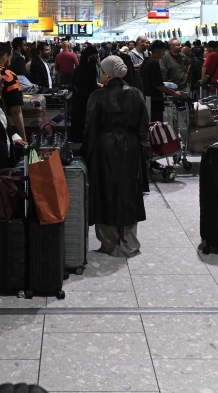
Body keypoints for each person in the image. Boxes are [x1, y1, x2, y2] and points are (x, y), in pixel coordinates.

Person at [82, 56, 149, 258]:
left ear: (107, 74)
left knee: (104, 191)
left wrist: (86, 153)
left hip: (104, 146)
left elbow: (90, 128)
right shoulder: (136, 93)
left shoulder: (97, 96)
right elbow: (143, 124)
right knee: (129, 192)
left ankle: (110, 243)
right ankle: (129, 243)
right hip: (130, 145)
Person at [141, 40, 182, 122]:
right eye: (163, 51)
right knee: (155, 125)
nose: (164, 53)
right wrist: (173, 93)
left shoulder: (146, 61)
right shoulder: (154, 64)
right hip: (154, 101)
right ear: (157, 51)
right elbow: (158, 85)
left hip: (146, 99)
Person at [70, 46, 101, 144]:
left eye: (96, 57)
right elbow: (85, 86)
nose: (95, 59)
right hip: (83, 105)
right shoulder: (81, 71)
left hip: (84, 104)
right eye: (93, 57)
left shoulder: (84, 69)